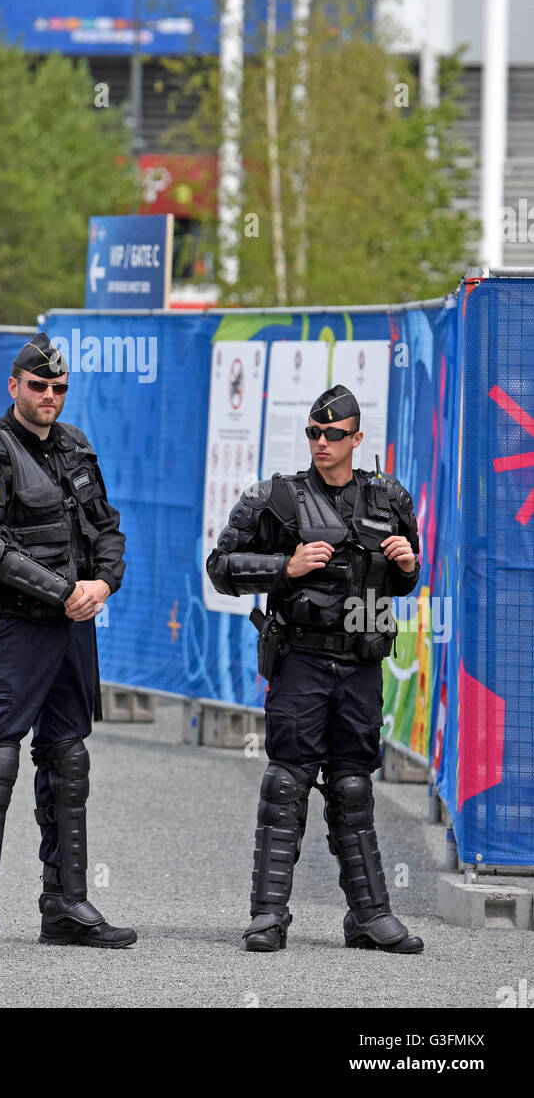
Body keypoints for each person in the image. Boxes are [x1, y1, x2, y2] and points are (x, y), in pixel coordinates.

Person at [207, 384, 424, 955]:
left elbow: (403, 580)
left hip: (360, 665)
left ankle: (369, 917)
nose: (321, 443)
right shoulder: (275, 498)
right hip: (301, 657)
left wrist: (407, 567)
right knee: (288, 781)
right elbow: (220, 567)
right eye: (313, 433)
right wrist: (287, 565)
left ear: (356, 438)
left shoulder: (388, 498)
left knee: (352, 786)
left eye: (332, 434)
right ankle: (268, 916)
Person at [0, 332, 136, 958]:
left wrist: (103, 584)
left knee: (68, 760)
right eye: (38, 386)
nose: (50, 397)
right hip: (17, 626)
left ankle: (65, 906)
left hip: (74, 627)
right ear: (14, 385)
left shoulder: (77, 445)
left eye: (59, 388)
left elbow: (107, 528)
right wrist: (63, 591)